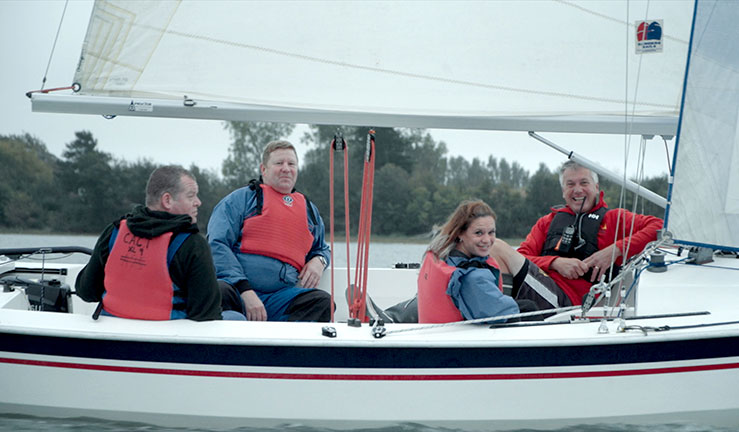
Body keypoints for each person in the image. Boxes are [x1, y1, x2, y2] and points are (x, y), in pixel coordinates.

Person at [75, 165, 224, 321]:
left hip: (113, 335)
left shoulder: (114, 232)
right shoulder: (193, 244)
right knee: (234, 314)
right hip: (168, 340)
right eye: (191, 196)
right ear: (167, 200)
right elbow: (207, 315)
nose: (198, 202)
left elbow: (86, 291)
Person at [208, 140, 332, 322]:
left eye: (291, 164)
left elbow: (322, 248)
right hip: (238, 292)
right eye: (279, 163)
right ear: (263, 169)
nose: (286, 168)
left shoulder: (309, 211)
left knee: (323, 303)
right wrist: (245, 290)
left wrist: (320, 261)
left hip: (280, 298)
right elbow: (217, 244)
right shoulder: (239, 201)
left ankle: (279, 342)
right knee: (217, 291)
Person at [517, 160, 663, 305]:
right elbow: (521, 257)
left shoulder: (614, 219)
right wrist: (555, 263)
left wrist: (615, 250)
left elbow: (659, 225)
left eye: (584, 183)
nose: (578, 189)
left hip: (572, 303)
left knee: (499, 248)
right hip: (541, 288)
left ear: (596, 187)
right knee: (501, 252)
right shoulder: (547, 222)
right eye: (570, 184)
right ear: (563, 192)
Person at [417, 199, 570, 324]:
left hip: (443, 333)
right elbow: (498, 310)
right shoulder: (472, 278)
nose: (487, 240)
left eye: (491, 233)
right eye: (478, 233)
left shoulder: (437, 257)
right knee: (528, 307)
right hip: (458, 345)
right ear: (460, 234)